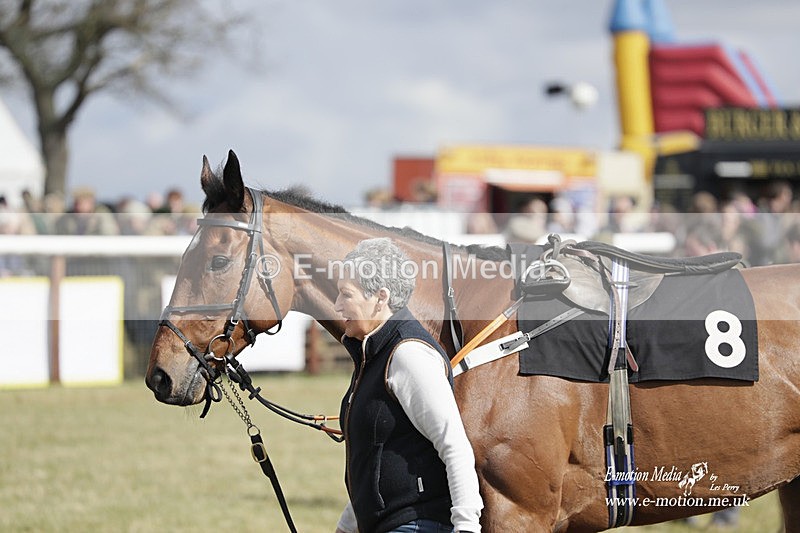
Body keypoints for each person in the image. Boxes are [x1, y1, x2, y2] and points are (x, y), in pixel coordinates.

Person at [333, 238, 483, 533]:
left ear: (380, 296)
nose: (337, 306)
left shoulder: (408, 355)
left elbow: (454, 445)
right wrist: (346, 527)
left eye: (345, 295)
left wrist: (466, 527)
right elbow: (374, 461)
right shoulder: (373, 354)